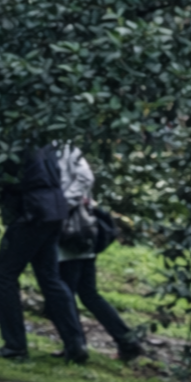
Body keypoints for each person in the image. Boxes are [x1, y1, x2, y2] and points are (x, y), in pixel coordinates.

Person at [0, 145, 89, 363]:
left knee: (5, 275)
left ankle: (15, 345)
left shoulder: (14, 140)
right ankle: (75, 344)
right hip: (53, 209)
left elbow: (7, 175)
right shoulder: (39, 137)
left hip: (33, 211)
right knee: (50, 278)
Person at [55, 144, 142, 361]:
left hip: (72, 233)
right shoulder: (70, 149)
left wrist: (62, 204)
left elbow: (85, 178)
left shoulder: (61, 149)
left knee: (67, 293)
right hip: (85, 231)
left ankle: (76, 345)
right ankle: (126, 340)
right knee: (88, 293)